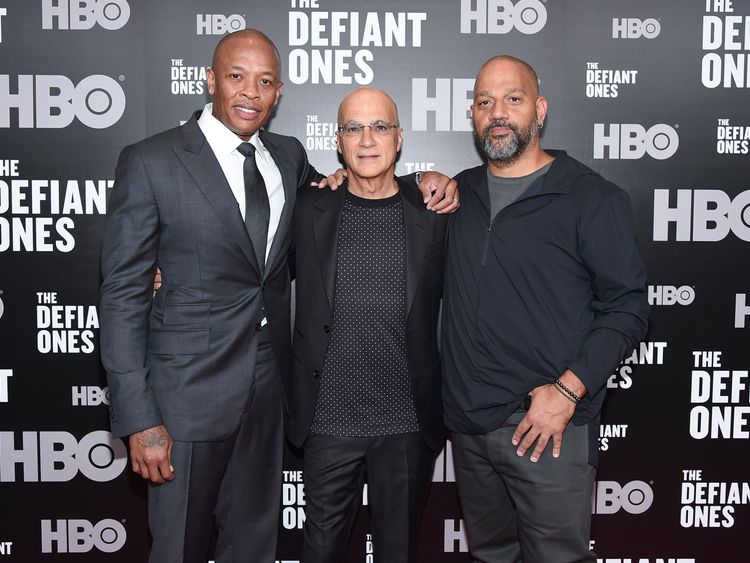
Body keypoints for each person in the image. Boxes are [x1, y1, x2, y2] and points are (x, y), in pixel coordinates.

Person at [100, 29, 456, 563]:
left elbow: (350, 188)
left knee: (254, 545)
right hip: (185, 402)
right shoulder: (151, 161)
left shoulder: (286, 157)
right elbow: (122, 293)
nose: (250, 92)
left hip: (269, 398)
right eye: (236, 76)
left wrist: (425, 176)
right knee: (178, 549)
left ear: (279, 91)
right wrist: (138, 417)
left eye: (265, 81)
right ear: (209, 80)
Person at [440, 55, 650, 562]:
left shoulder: (591, 198)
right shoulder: (457, 194)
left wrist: (566, 391)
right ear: (472, 114)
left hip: (546, 429)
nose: (498, 112)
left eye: (513, 99)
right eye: (485, 101)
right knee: (490, 555)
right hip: (469, 427)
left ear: (540, 109)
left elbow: (628, 307)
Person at [287, 87, 447, 563]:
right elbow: (246, 262)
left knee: (397, 552)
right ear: (338, 141)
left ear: (400, 138)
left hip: (405, 423)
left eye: (380, 126)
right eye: (353, 127)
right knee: (320, 552)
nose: (367, 139)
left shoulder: (435, 212)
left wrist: (435, 179)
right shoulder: (305, 209)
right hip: (327, 422)